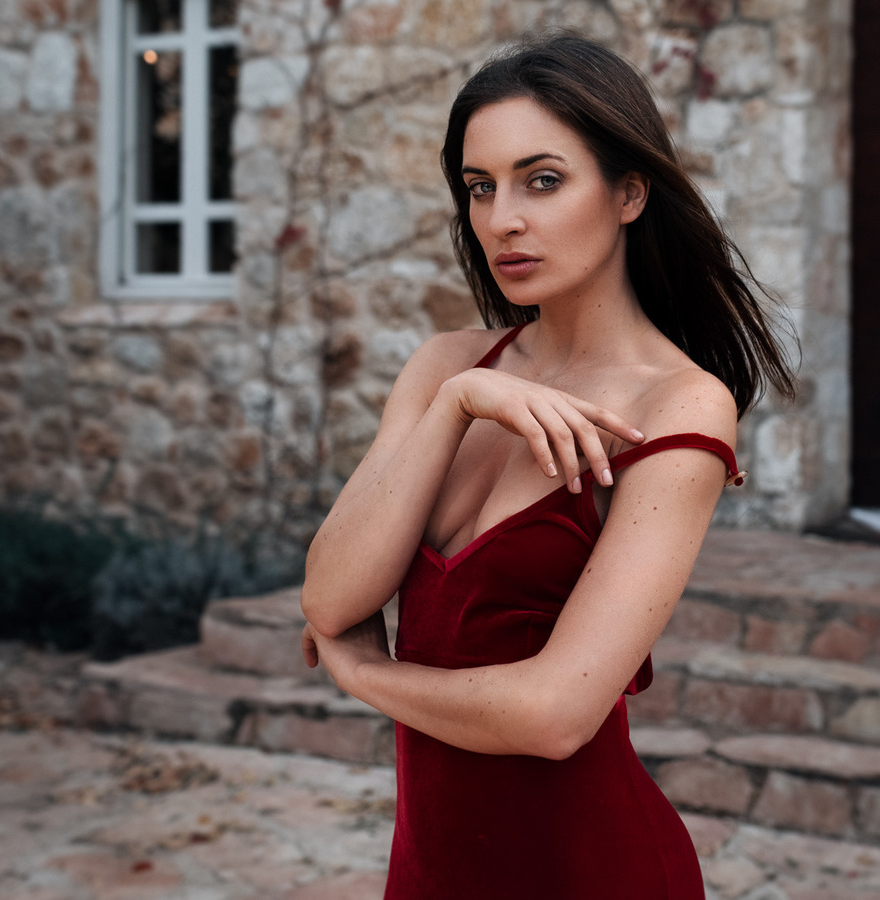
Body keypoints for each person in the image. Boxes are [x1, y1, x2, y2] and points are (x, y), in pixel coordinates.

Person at [300, 32, 796, 899]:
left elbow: (556, 714)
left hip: (589, 871)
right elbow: (332, 597)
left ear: (629, 192)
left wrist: (364, 673)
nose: (502, 220)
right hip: (429, 873)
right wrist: (461, 403)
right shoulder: (447, 368)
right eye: (479, 188)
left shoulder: (677, 407)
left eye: (543, 180)